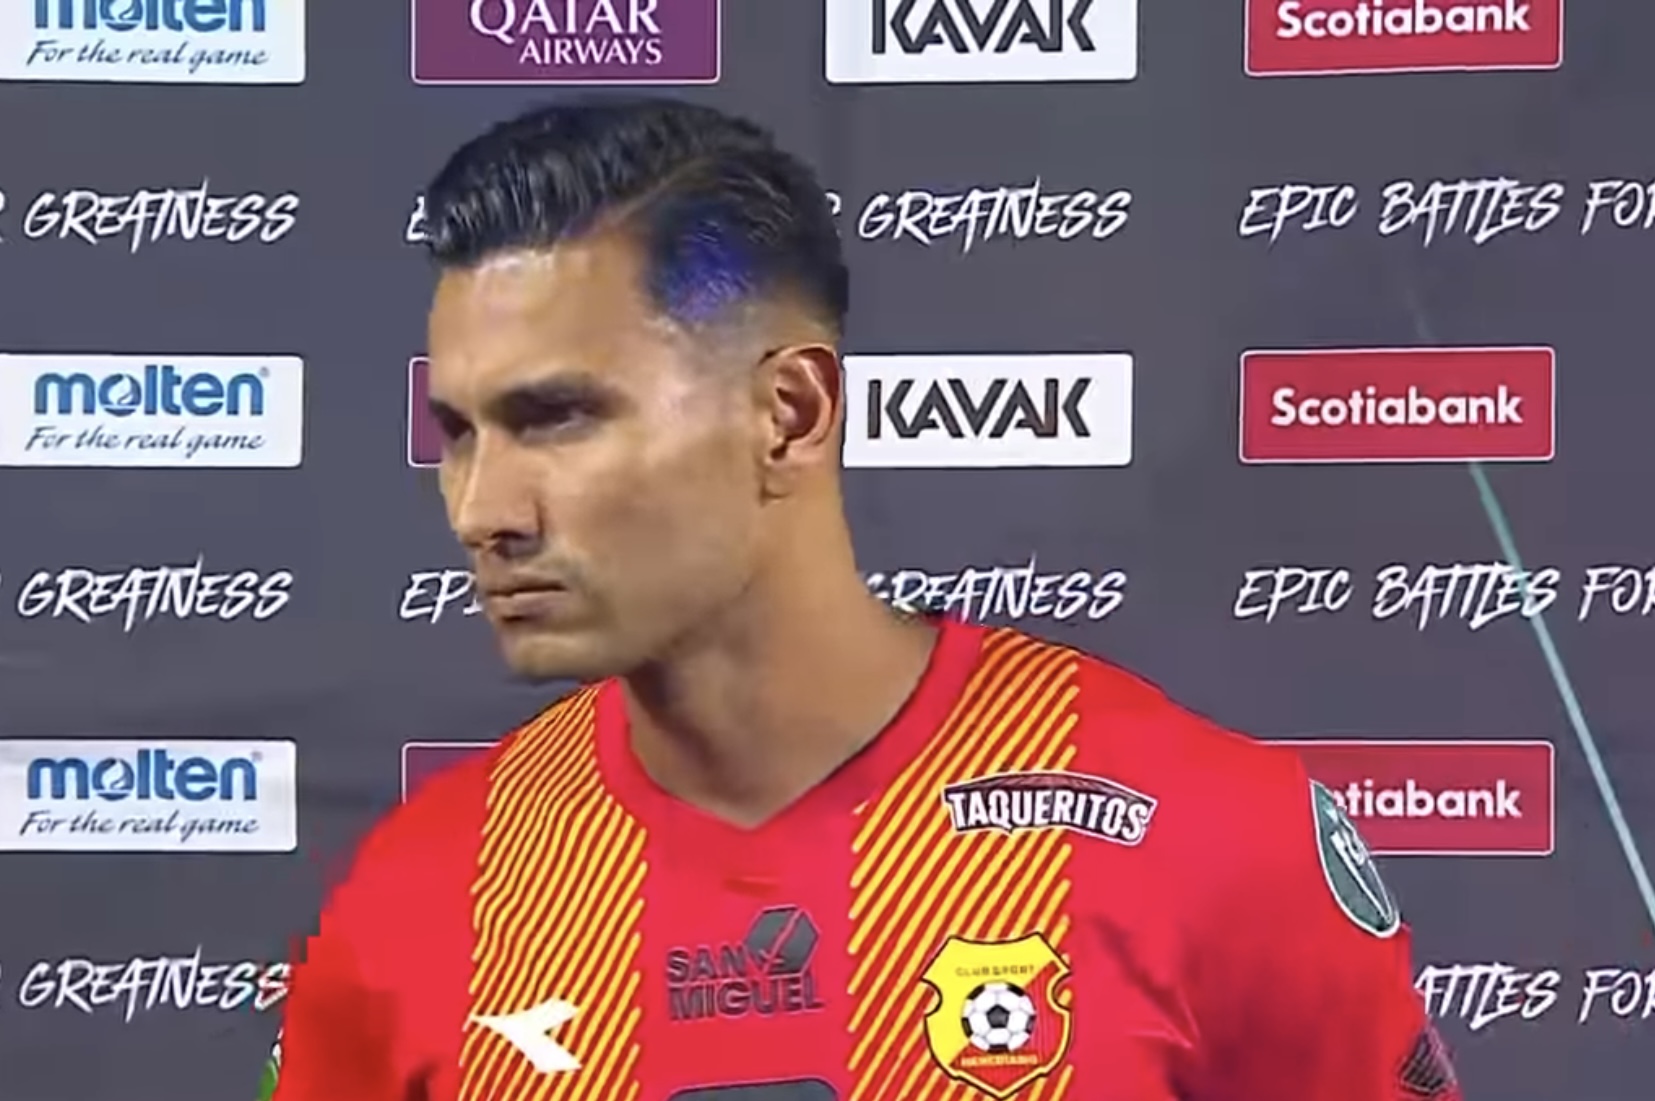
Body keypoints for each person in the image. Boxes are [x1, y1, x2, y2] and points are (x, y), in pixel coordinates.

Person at [265, 96, 1459, 1101]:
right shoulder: (416, 895)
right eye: (458, 433)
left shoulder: (1213, 840)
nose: (483, 509)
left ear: (788, 414)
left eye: (556, 417)